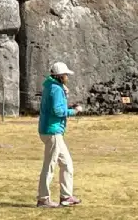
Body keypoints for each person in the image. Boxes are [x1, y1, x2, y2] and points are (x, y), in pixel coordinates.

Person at [37, 62, 83, 208]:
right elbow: (57, 111)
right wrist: (73, 111)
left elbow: (56, 106)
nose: (67, 77)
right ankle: (43, 199)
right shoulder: (56, 89)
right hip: (53, 131)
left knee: (67, 164)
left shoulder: (51, 86)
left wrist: (65, 97)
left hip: (52, 130)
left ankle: (66, 196)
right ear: (60, 76)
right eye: (66, 75)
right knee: (49, 166)